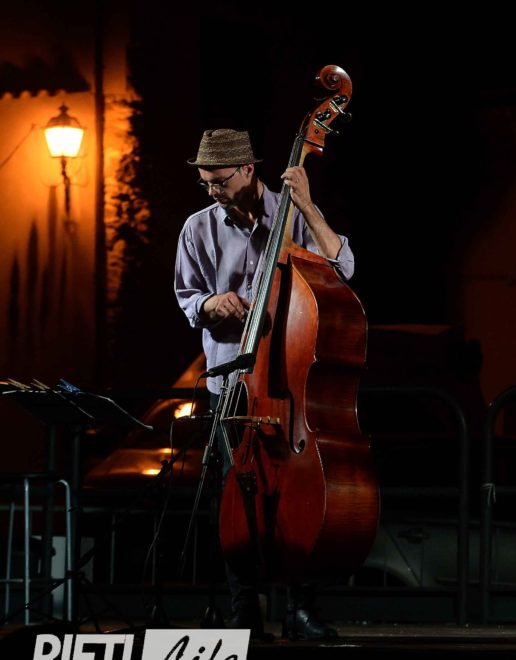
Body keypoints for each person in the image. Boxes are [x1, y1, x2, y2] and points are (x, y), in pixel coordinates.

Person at [174, 128, 355, 640]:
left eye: (219, 181)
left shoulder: (293, 215)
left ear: (248, 169)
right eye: (205, 182)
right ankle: (244, 611)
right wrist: (213, 303)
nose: (212, 190)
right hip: (232, 384)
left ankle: (300, 606)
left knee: (298, 493)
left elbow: (344, 269)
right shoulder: (197, 228)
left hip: (288, 381)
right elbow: (188, 298)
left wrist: (309, 207)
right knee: (234, 498)